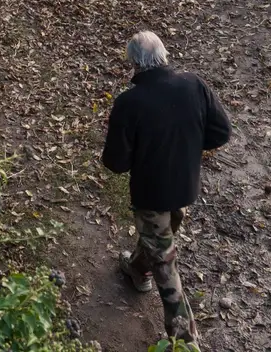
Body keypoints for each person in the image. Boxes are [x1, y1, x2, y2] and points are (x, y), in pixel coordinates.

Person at [101, 30, 233, 343]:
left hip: (151, 195)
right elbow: (221, 131)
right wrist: (189, 148)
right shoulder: (194, 85)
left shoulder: (129, 103)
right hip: (185, 187)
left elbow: (116, 162)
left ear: (134, 63)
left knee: (165, 262)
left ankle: (185, 341)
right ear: (164, 55)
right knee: (159, 242)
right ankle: (137, 269)